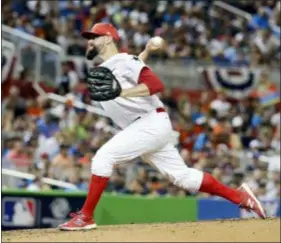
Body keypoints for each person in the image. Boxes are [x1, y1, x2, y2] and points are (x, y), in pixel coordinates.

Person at [59, 23, 266, 231]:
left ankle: (86, 216)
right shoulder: (118, 64)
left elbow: (155, 85)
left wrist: (121, 92)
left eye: (94, 36)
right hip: (146, 126)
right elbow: (132, 64)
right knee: (183, 178)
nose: (89, 41)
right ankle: (239, 196)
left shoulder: (122, 61)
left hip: (149, 123)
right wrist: (147, 51)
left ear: (107, 38)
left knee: (103, 158)